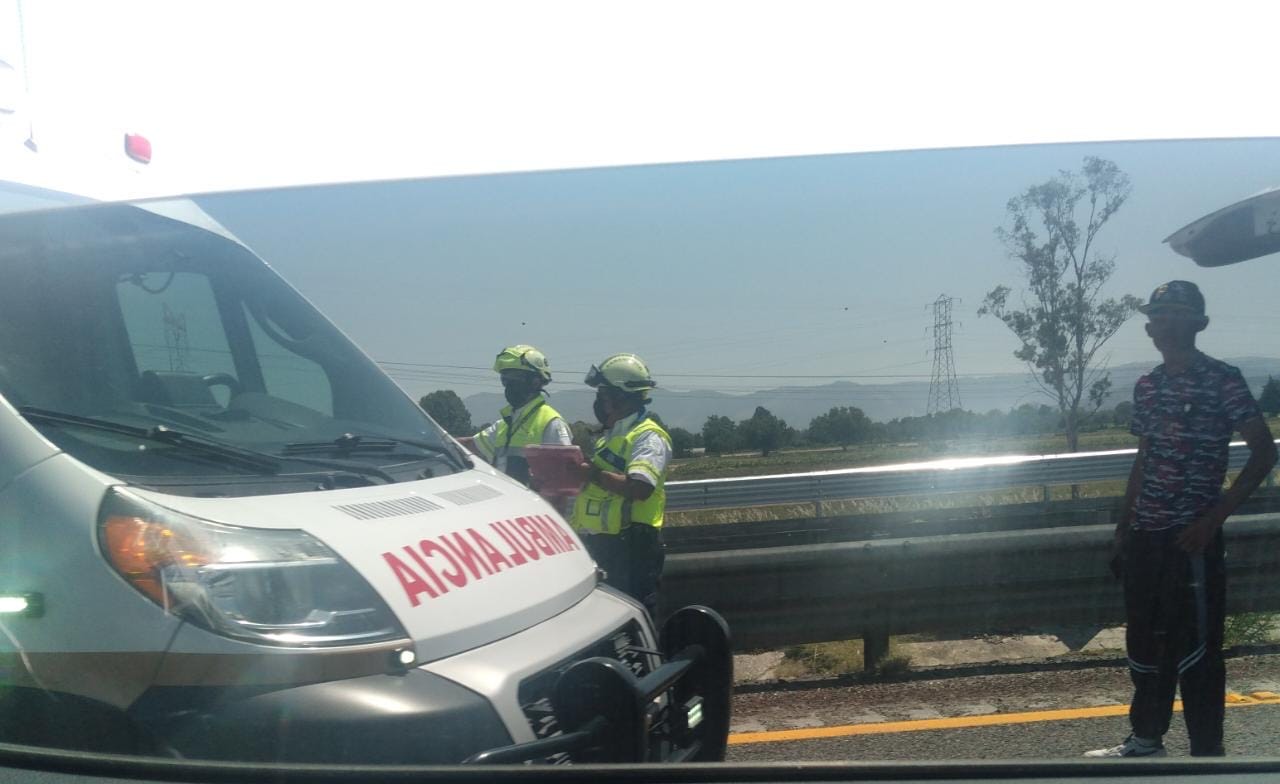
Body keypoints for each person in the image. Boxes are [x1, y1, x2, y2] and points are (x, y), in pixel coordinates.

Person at [1087, 281, 1277, 758]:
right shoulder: (1149, 384)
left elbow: (1264, 452)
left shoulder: (1223, 379)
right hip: (1145, 536)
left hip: (1192, 539)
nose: (1165, 322)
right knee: (1144, 643)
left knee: (1197, 651)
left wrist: (1212, 520)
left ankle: (1206, 755)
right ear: (1150, 327)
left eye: (1176, 313)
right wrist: (1124, 524)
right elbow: (1144, 455)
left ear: (1199, 324)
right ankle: (1147, 738)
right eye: (1158, 314)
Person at [568, 353, 672, 615]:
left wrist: (592, 474)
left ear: (623, 396)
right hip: (605, 544)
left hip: (632, 545)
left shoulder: (647, 436)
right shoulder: (611, 436)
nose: (599, 402)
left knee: (633, 614)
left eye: (603, 395)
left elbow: (640, 488)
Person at [471, 345, 572, 486]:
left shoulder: (552, 423)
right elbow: (470, 446)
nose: (509, 385)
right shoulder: (506, 423)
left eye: (515, 378)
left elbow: (563, 480)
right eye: (505, 379)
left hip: (535, 506)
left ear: (535, 381)